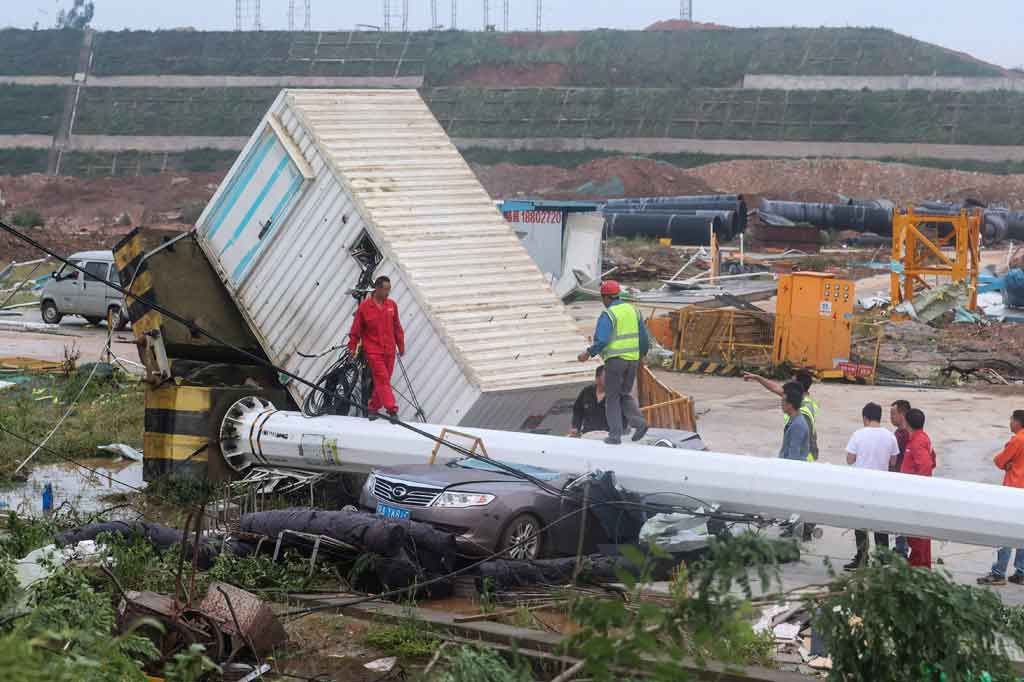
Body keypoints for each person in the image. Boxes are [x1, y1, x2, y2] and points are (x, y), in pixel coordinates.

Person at [577, 280, 649, 445]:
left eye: (603, 298)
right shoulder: (634, 311)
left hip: (616, 361)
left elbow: (602, 340)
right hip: (632, 360)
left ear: (606, 297)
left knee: (612, 398)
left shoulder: (609, 314)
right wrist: (642, 354)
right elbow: (643, 337)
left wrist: (587, 353)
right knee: (624, 394)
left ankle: (615, 435)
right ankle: (639, 422)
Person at [844, 402, 900, 570]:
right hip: (881, 486)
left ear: (865, 418)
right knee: (880, 524)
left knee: (860, 525)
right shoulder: (890, 436)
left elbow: (850, 459)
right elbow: (893, 461)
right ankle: (883, 559)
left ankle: (862, 559)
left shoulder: (858, 434)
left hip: (860, 486)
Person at [977, 410, 1024, 586]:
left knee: (1006, 532)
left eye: (1011, 420)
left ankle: (999, 572)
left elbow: (999, 460)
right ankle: (1021, 571)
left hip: (1013, 490)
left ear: (1018, 422)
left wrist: (1008, 462)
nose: (1010, 422)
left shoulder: (1017, 439)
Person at [348, 275, 405, 420]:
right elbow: (356, 330)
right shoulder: (365, 308)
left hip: (390, 350)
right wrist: (352, 347)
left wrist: (401, 345)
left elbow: (397, 326)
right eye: (385, 289)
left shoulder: (392, 305)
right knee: (383, 379)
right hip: (374, 351)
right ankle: (392, 410)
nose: (388, 292)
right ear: (377, 288)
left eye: (389, 289)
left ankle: (372, 408)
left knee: (383, 382)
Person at [745, 369, 819, 461]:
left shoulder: (802, 413)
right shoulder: (800, 400)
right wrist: (758, 378)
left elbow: (796, 448)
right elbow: (775, 388)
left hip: (803, 460)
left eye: (791, 381)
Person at [900, 408, 936, 568]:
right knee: (918, 534)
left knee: (916, 534)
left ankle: (918, 565)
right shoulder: (921, 438)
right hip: (916, 492)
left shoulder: (917, 442)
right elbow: (932, 460)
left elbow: (927, 466)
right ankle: (921, 564)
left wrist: (917, 487)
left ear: (907, 422)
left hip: (915, 494)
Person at [568, 365, 626, 437]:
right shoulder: (587, 391)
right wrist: (575, 427)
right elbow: (578, 411)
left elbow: (625, 418)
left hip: (609, 436)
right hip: (588, 434)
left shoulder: (618, 395)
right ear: (597, 378)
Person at [890, 400, 913, 558]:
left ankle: (901, 549)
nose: (891, 417)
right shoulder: (901, 433)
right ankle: (900, 547)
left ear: (902, 414)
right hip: (900, 477)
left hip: (900, 479)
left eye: (893, 414)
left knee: (899, 516)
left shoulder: (903, 435)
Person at [778, 385, 811, 461]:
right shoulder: (794, 419)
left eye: (783, 401)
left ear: (790, 405)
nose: (781, 404)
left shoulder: (797, 425)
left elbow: (794, 454)